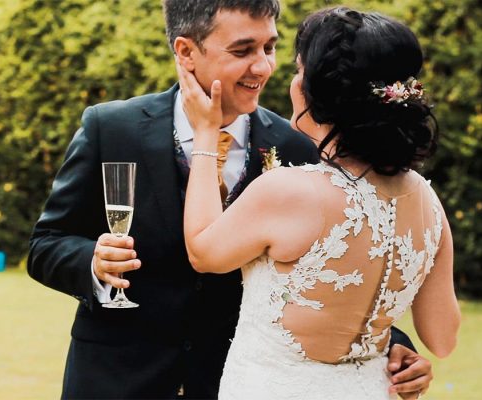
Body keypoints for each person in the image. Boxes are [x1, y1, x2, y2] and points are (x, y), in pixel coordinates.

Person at [28, 1, 434, 398]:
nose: (263, 66)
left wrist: (391, 343)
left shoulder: (296, 144)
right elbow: (46, 243)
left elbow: (341, 267)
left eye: (270, 47)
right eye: (243, 50)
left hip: (232, 382)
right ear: (186, 51)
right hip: (117, 380)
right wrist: (92, 263)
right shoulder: (112, 128)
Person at [179, 6, 461, 400]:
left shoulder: (290, 191)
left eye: (299, 71)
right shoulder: (427, 201)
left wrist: (206, 133)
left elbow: (203, 252)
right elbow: (442, 337)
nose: (292, 81)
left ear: (321, 93)